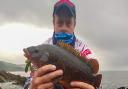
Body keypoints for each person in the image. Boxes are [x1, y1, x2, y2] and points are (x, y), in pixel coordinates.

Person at [23, 0, 101, 89]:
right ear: (53, 23)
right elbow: (30, 81)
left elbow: (97, 84)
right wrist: (32, 87)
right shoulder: (43, 49)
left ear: (74, 24)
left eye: (68, 23)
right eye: (60, 22)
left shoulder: (84, 51)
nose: (64, 27)